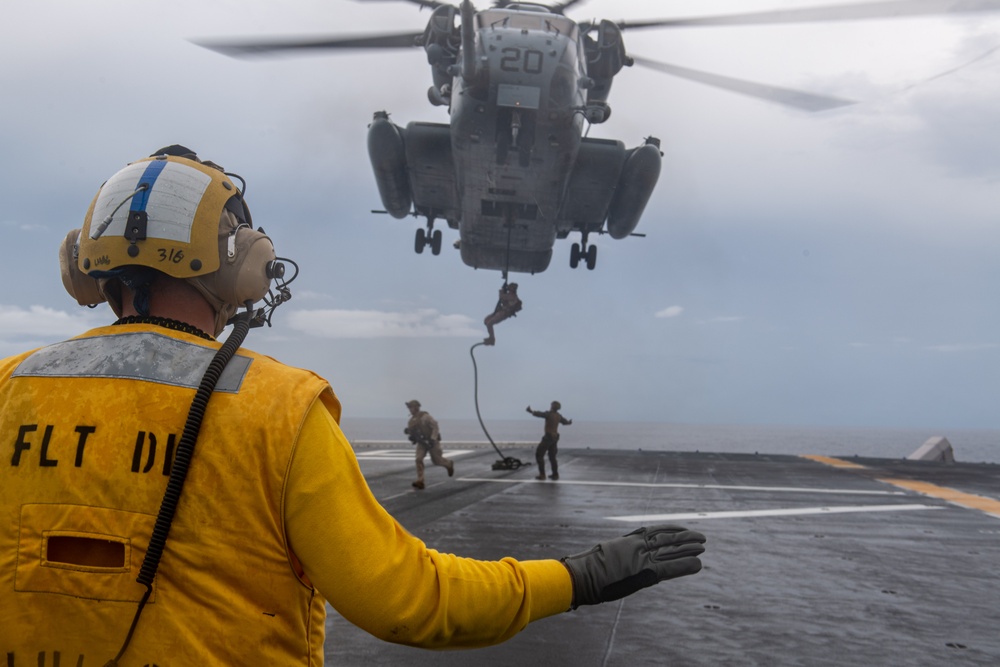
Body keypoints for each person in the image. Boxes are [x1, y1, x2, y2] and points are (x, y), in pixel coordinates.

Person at [0, 146, 706, 664]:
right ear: (241, 263)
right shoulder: (277, 408)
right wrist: (579, 576)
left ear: (84, 264)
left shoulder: (8, 388)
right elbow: (409, 600)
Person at [404, 399, 454, 489]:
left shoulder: (425, 417)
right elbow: (413, 435)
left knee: (437, 461)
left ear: (416, 407)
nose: (410, 409)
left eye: (411, 407)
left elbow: (435, 426)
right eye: (409, 407)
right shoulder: (411, 421)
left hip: (432, 442)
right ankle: (420, 481)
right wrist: (411, 436)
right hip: (422, 443)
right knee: (418, 459)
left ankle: (449, 464)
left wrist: (433, 438)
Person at [527, 401, 572, 481]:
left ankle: (542, 474)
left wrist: (531, 411)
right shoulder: (558, 416)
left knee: (539, 455)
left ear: (552, 406)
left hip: (548, 437)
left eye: (551, 405)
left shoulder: (549, 414)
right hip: (555, 437)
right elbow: (566, 422)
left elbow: (540, 414)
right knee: (552, 457)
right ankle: (555, 474)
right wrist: (569, 422)